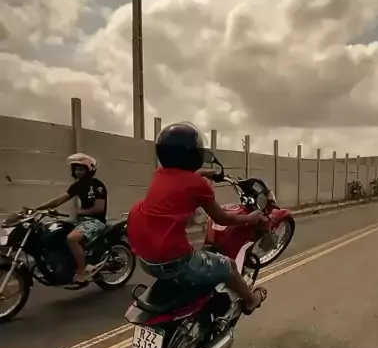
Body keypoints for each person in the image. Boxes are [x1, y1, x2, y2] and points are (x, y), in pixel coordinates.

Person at [127, 122, 268, 314]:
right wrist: (250, 218)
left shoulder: (159, 174)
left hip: (146, 260)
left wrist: (203, 174)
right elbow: (222, 218)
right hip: (174, 263)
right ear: (193, 154)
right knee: (229, 266)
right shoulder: (198, 186)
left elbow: (182, 181)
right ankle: (251, 300)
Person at [33, 153, 108, 285]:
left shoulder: (97, 185)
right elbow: (59, 200)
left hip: (96, 221)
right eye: (76, 169)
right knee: (56, 232)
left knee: (72, 239)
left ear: (90, 169)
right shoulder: (77, 186)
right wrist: (36, 208)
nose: (78, 172)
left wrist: (81, 211)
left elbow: (99, 208)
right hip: (81, 221)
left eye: (81, 169)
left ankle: (82, 271)